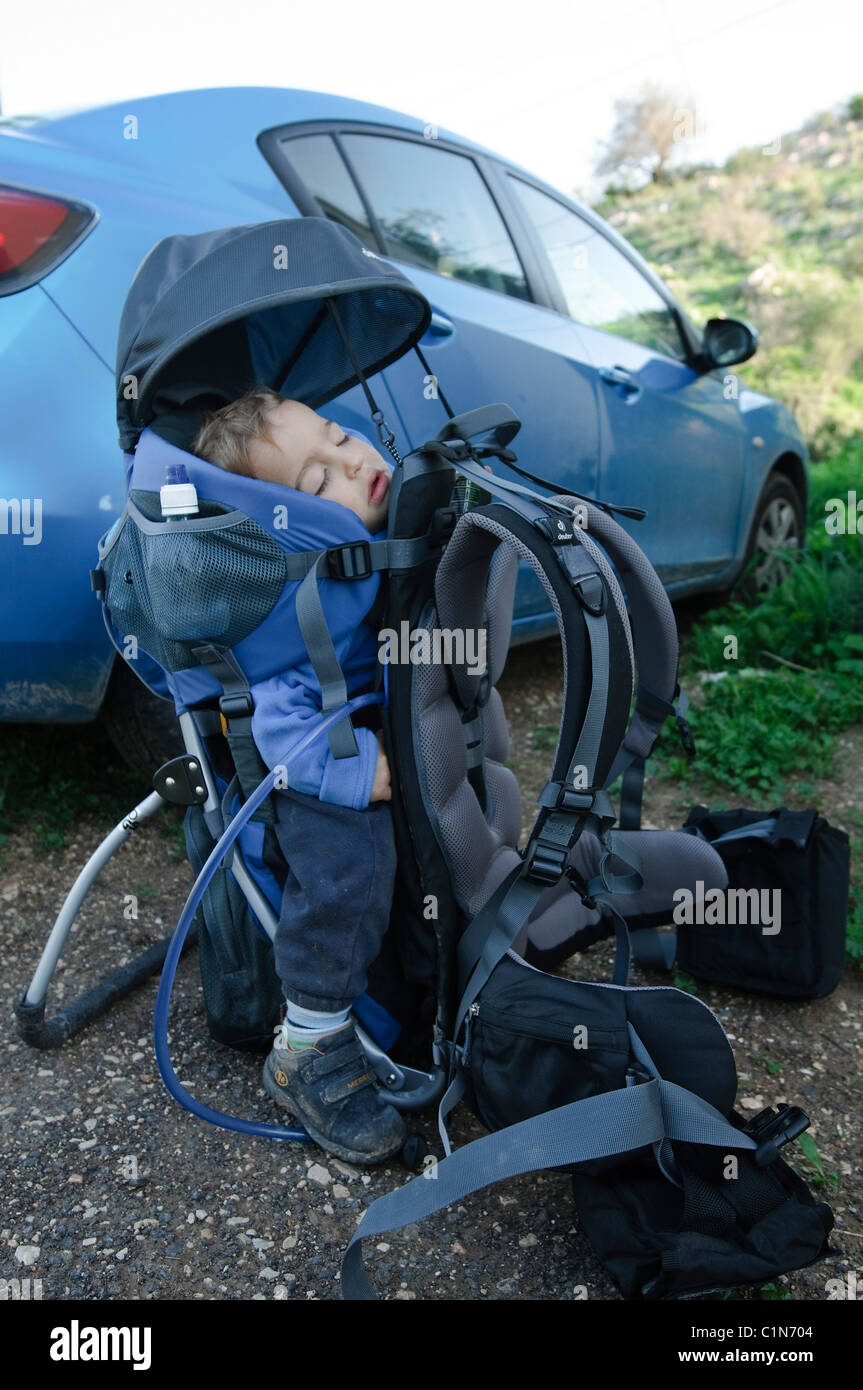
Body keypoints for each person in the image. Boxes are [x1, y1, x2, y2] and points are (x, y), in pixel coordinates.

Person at [192, 386, 407, 1165]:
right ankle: (308, 1044)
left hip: (358, 724)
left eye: (341, 437)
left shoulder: (370, 549)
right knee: (345, 864)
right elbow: (282, 727)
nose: (351, 462)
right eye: (318, 484)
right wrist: (353, 776)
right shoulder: (282, 609)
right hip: (309, 771)